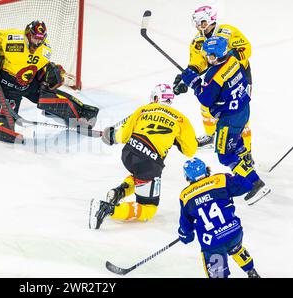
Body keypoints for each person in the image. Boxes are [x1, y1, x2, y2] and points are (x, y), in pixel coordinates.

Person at [89, 84, 197, 229]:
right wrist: (177, 141)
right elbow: (190, 150)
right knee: (148, 209)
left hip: (128, 154)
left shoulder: (143, 109)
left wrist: (111, 135)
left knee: (140, 176)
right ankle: (107, 209)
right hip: (149, 162)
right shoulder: (181, 119)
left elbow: (123, 135)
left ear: (155, 98)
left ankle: (118, 192)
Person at [181, 36, 270, 205]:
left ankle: (255, 183)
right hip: (243, 110)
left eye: (209, 55)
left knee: (225, 155)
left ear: (215, 55)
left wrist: (194, 82)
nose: (207, 58)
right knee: (237, 146)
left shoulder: (215, 74)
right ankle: (247, 171)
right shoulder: (233, 59)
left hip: (229, 120)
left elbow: (206, 99)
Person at [0, 20, 98, 126]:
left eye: (41, 39)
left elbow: (45, 67)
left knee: (50, 96)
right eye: (35, 38)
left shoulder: (45, 50)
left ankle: (80, 115)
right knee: (5, 122)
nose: (37, 42)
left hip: (29, 85)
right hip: (8, 86)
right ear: (28, 34)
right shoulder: (12, 38)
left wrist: (58, 75)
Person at [173, 6, 253, 150]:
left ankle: (246, 149)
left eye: (202, 22)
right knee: (206, 106)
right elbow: (198, 64)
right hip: (217, 77)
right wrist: (187, 76)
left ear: (211, 20)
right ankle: (210, 136)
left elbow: (246, 49)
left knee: (240, 110)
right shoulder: (197, 41)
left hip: (238, 75)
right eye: (196, 23)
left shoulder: (228, 32)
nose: (199, 26)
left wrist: (227, 58)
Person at [178, 157, 261, 278]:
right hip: (234, 232)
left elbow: (186, 226)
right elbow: (246, 185)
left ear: (187, 177)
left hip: (213, 243)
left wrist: (185, 235)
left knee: (218, 275)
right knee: (236, 248)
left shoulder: (185, 196)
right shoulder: (221, 179)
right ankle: (251, 271)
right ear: (206, 170)